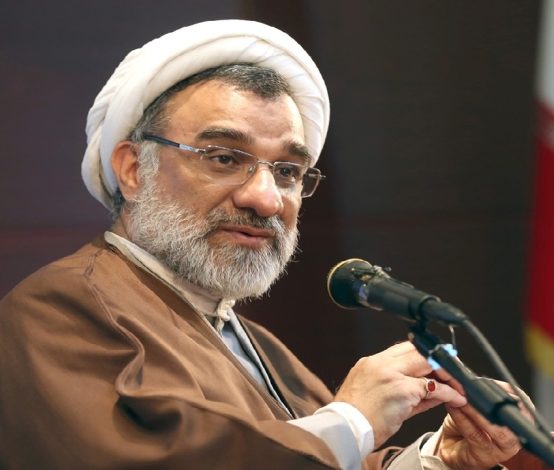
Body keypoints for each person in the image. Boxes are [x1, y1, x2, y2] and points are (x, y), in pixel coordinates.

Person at [0, 20, 525, 469]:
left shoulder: (253, 341)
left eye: (288, 171)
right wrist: (352, 418)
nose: (266, 199)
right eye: (225, 158)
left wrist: (440, 459)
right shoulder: (61, 309)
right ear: (134, 170)